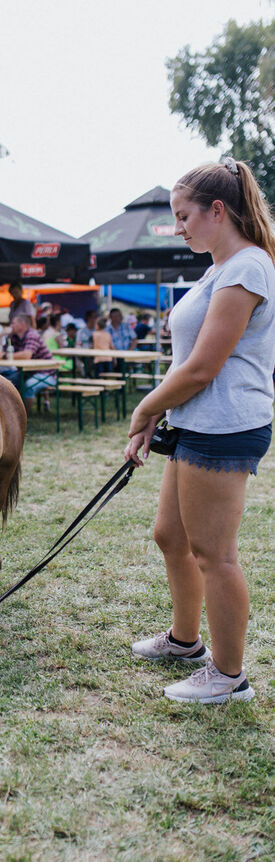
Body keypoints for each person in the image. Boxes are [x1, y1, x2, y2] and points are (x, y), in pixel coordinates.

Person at [125, 158, 275, 704]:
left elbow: (203, 368)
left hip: (225, 426)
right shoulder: (219, 267)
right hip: (193, 421)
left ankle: (230, 676)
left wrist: (144, 410)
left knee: (216, 555)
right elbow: (185, 360)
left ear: (218, 210)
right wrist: (158, 416)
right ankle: (186, 642)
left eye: (183, 216)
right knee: (171, 535)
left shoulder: (247, 268)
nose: (178, 227)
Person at [7, 312, 57, 409]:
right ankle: (11, 413)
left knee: (29, 385)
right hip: (27, 371)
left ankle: (24, 417)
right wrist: (1, 336)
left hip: (47, 373)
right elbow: (3, 351)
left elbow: (26, 355)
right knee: (6, 382)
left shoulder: (32, 335)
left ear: (22, 325)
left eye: (13, 323)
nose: (11, 326)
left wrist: (5, 355)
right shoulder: (13, 336)